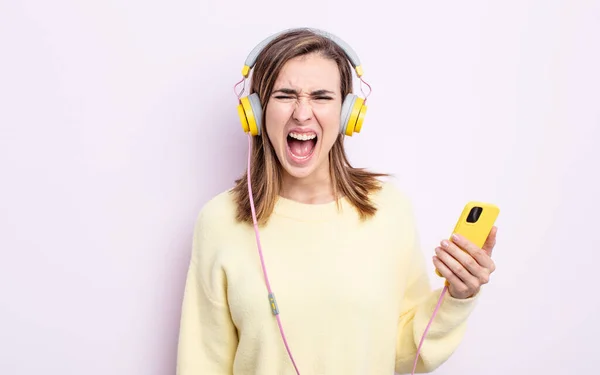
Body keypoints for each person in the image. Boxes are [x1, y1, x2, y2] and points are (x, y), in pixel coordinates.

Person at [176, 27, 498, 375]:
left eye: (321, 96)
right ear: (255, 111)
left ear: (347, 113)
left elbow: (408, 353)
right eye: (285, 95)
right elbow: (202, 363)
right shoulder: (220, 220)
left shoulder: (388, 210)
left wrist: (458, 297)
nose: (302, 113)